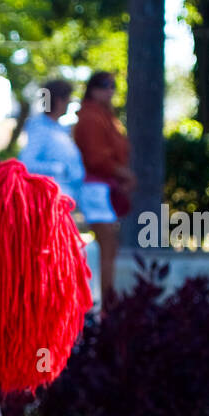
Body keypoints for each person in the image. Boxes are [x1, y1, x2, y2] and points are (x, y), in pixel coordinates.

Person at [74, 71, 135, 300]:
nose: (110, 91)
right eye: (105, 86)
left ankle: (103, 303)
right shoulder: (91, 117)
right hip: (95, 188)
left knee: (109, 247)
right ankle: (103, 306)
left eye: (112, 86)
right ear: (93, 89)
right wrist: (124, 174)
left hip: (104, 188)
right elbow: (96, 158)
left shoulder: (105, 116)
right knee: (106, 247)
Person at [20, 78, 85, 208]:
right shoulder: (40, 127)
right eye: (68, 99)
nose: (69, 104)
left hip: (62, 201)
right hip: (49, 202)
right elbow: (26, 163)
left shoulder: (58, 128)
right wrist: (59, 169)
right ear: (58, 101)